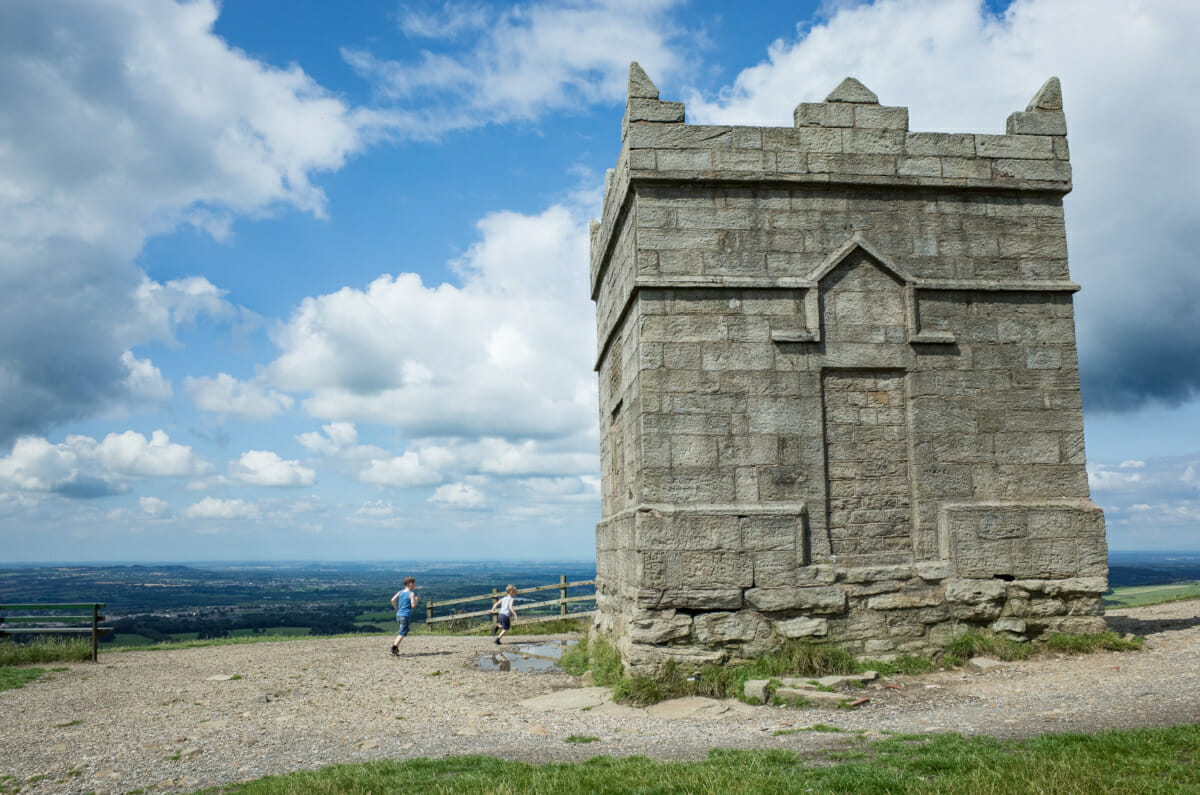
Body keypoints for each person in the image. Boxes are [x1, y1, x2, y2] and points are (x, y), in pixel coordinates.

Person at [390, 576, 418, 656]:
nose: (414, 586)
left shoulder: (400, 592)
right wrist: (416, 600)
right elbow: (413, 605)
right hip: (405, 615)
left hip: (398, 615)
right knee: (402, 633)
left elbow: (392, 600)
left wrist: (396, 609)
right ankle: (394, 647)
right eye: (414, 584)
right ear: (410, 584)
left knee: (402, 631)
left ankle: (395, 645)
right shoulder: (411, 593)